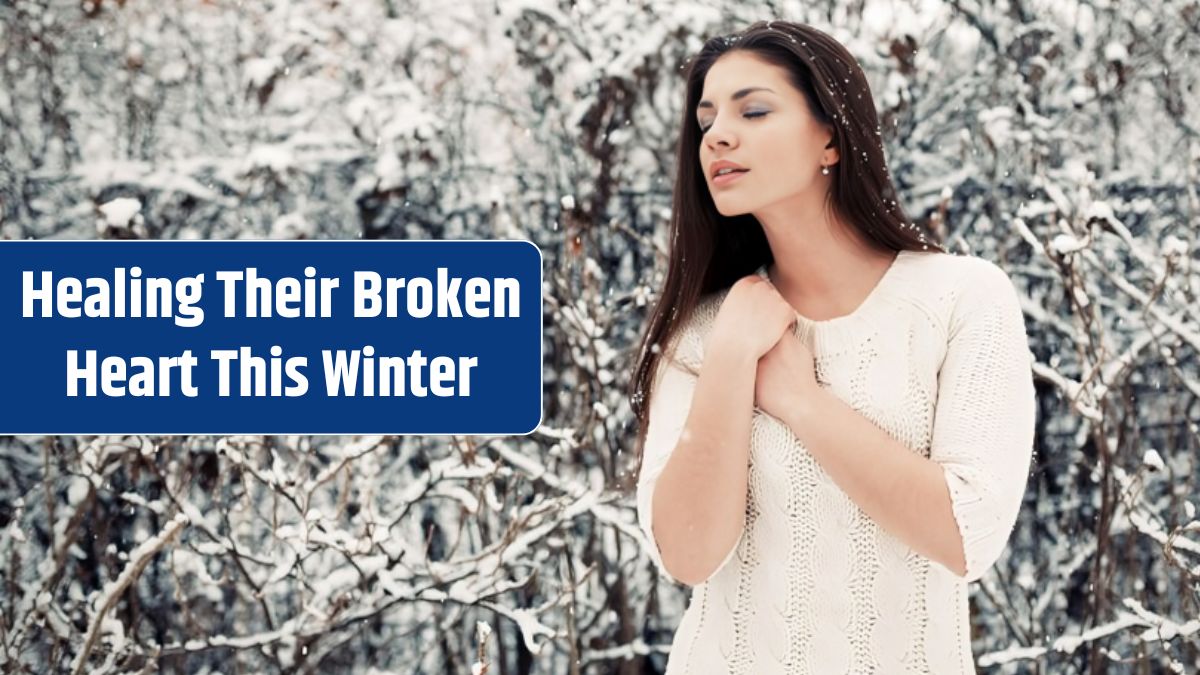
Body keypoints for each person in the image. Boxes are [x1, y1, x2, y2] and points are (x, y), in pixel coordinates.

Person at [629, 20, 1037, 674]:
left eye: (754, 109)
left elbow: (967, 533)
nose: (718, 136)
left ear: (831, 135)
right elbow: (687, 553)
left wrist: (798, 399)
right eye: (706, 121)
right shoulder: (705, 330)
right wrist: (731, 359)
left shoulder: (961, 298)